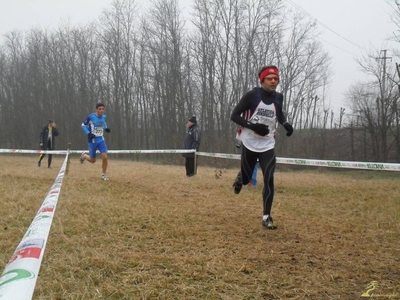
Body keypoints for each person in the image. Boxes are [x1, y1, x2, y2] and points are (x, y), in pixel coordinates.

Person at [231, 65, 294, 229]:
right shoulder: (252, 95)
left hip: (267, 144)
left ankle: (266, 216)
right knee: (246, 180)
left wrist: (285, 123)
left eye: (276, 79)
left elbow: (279, 114)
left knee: (269, 178)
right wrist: (253, 126)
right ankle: (240, 178)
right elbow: (234, 115)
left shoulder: (279, 97)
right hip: (250, 143)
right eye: (270, 78)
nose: (274, 81)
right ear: (262, 80)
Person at [80, 102, 111, 181]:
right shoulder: (91, 117)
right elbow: (83, 125)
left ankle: (103, 175)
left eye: (103, 109)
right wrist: (89, 133)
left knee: (105, 156)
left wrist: (106, 128)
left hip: (101, 140)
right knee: (93, 160)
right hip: (92, 141)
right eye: (100, 109)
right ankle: (84, 156)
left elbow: (103, 123)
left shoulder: (104, 116)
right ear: (96, 110)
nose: (101, 111)